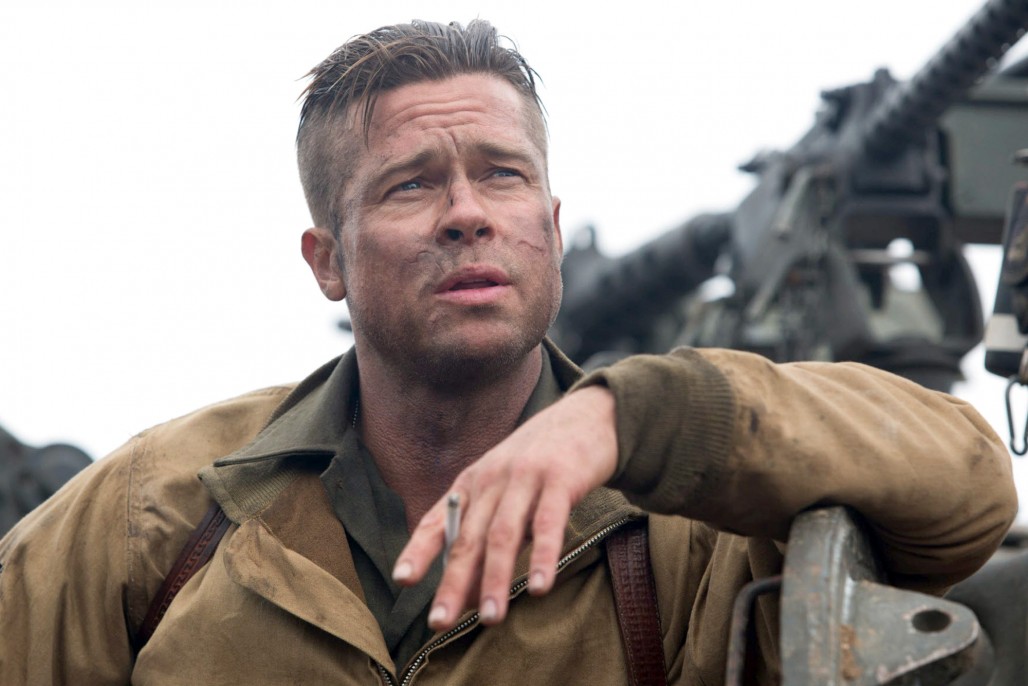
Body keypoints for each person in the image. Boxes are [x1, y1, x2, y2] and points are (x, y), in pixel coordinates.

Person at [0, 19, 1017, 685]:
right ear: (328, 261)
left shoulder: (686, 528)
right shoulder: (163, 511)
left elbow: (966, 482)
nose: (466, 213)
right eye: (409, 184)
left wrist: (630, 414)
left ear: (551, 227)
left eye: (502, 175)